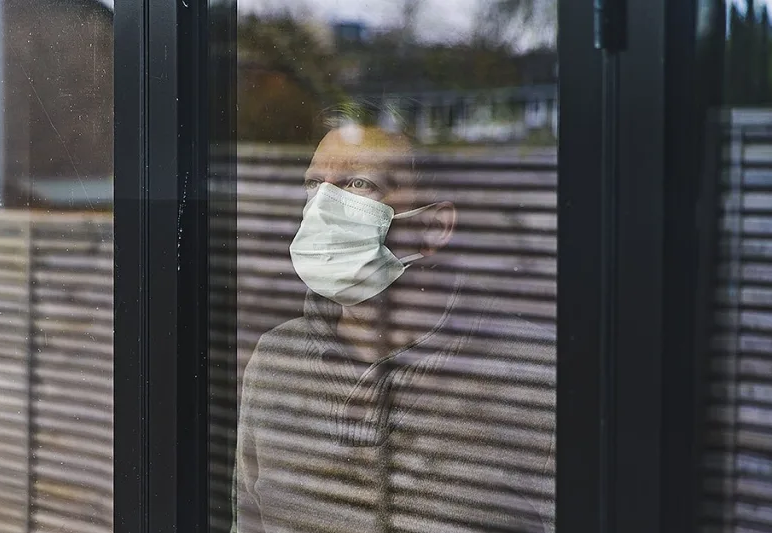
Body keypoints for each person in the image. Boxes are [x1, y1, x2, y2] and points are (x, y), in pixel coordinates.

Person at [233, 120, 555, 533]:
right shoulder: (278, 358)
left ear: (435, 227)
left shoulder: (535, 373)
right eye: (314, 184)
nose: (323, 205)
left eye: (359, 184)